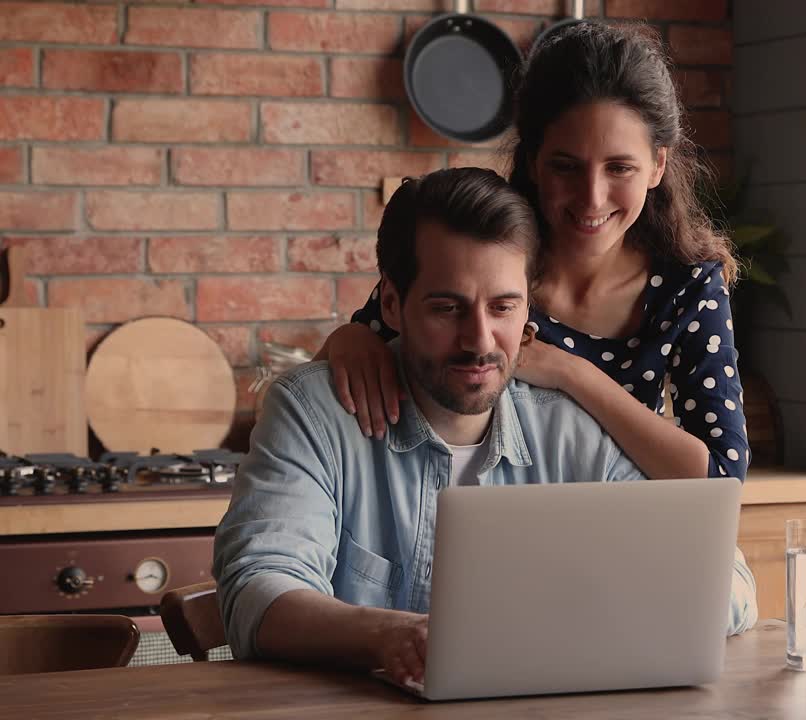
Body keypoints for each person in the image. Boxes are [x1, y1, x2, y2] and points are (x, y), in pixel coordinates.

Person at [214, 169, 758, 689]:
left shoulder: (570, 431)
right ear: (391, 304)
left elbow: (730, 586)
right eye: (448, 308)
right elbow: (258, 591)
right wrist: (389, 635)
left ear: (529, 310)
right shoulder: (310, 415)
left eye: (503, 307)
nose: (479, 340)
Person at [317, 22, 749, 485]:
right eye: (566, 166)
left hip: (613, 533)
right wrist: (349, 340)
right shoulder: (490, 254)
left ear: (657, 165)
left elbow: (721, 476)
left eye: (619, 167)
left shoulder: (688, 286)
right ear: (532, 162)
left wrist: (571, 374)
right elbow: (344, 359)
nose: (592, 197)